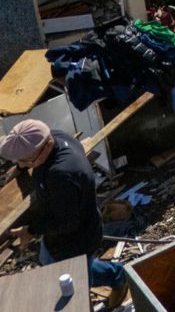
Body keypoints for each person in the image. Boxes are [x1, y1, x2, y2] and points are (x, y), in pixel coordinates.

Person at [1, 120, 128, 308]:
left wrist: (31, 230)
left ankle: (117, 278)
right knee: (50, 262)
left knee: (73, 286)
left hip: (76, 238)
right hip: (62, 229)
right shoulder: (56, 136)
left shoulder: (61, 175)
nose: (21, 164)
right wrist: (20, 167)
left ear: (42, 150)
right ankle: (118, 275)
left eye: (24, 160)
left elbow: (67, 222)